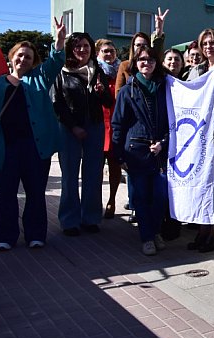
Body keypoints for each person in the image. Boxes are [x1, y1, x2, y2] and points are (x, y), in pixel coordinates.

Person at [0, 17, 66, 250]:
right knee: (5, 195)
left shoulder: (40, 78)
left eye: (29, 57)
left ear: (34, 62)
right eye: (20, 55)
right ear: (11, 57)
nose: (23, 59)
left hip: (35, 148)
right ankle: (5, 236)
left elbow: (55, 62)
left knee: (35, 193)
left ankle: (36, 234)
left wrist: (60, 41)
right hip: (5, 148)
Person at [52, 31, 114, 236]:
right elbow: (57, 104)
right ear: (71, 49)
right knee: (69, 175)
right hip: (69, 128)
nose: (82, 50)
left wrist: (101, 92)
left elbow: (108, 102)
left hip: (94, 126)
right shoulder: (61, 71)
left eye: (86, 46)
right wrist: (73, 127)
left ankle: (90, 217)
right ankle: (69, 220)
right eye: (77, 46)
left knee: (93, 174)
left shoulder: (97, 70)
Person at [111, 46, 170, 256]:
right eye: (143, 59)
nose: (147, 63)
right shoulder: (128, 90)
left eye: (151, 59)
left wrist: (164, 142)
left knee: (161, 197)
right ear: (136, 63)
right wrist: (117, 154)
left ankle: (154, 231)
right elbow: (118, 123)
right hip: (136, 151)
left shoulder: (165, 88)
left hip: (160, 153)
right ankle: (148, 237)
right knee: (141, 198)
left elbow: (173, 122)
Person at [185, 28, 214, 254]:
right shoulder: (196, 70)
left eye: (213, 42)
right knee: (202, 183)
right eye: (205, 43)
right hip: (200, 134)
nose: (209, 46)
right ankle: (203, 227)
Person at [96, 39, 122, 220]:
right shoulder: (95, 72)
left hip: (116, 126)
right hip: (98, 126)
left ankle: (112, 200)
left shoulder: (122, 72)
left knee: (115, 167)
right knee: (95, 169)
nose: (109, 54)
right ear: (98, 53)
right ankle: (94, 202)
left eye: (112, 51)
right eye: (105, 51)